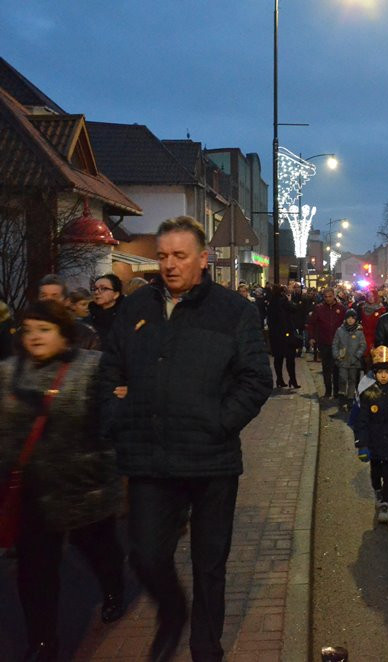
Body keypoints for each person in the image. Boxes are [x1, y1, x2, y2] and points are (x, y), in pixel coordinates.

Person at [98, 216, 272, 662]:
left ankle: (205, 645)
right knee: (145, 555)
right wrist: (120, 411)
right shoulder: (136, 311)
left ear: (202, 258)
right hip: (150, 458)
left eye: (180, 256)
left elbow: (255, 379)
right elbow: (109, 372)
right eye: (162, 256)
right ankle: (173, 612)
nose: (170, 265)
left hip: (211, 458)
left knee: (209, 564)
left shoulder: (234, 311)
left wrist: (219, 421)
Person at [0, 300, 125, 661]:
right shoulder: (8, 374)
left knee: (99, 550)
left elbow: (110, 420)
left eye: (45, 329)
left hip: (83, 486)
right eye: (29, 329)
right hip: (34, 493)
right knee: (35, 572)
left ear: (64, 334)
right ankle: (43, 641)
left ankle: (113, 587)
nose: (35, 337)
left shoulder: (90, 369)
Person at [353, 346, 388, 524]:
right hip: (375, 442)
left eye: (386, 372)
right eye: (380, 373)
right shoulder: (368, 395)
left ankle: (386, 503)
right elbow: (362, 421)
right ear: (374, 375)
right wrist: (362, 444)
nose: (383, 376)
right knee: (376, 471)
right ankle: (377, 490)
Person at [37, 274, 100, 350]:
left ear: (66, 301)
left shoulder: (86, 335)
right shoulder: (26, 333)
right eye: (44, 296)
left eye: (55, 296)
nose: (49, 301)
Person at [307, 287, 347, 399]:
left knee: (337, 369)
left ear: (334, 296)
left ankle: (337, 392)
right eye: (326, 297)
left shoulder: (341, 308)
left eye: (330, 296)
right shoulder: (319, 308)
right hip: (324, 343)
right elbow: (311, 324)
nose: (328, 299)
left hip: (338, 344)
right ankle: (328, 391)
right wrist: (311, 337)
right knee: (326, 368)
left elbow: (346, 325)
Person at [267, 284, 300, 389]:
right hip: (287, 334)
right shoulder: (284, 301)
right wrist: (289, 300)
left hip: (276, 335)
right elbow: (294, 309)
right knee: (290, 358)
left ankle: (280, 379)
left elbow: (270, 320)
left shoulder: (272, 303)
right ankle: (292, 380)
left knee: (278, 358)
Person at [332, 309, 366, 401]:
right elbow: (335, 344)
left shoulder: (359, 331)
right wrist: (336, 355)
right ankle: (342, 395)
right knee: (342, 378)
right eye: (348, 318)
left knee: (352, 379)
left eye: (353, 318)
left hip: (354, 361)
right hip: (342, 359)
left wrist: (357, 355)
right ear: (345, 319)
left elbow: (363, 345)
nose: (350, 320)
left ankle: (350, 397)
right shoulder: (340, 330)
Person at [89, 273, 124, 346]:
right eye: (94, 289)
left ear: (116, 294)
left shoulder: (125, 317)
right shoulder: (88, 315)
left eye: (103, 288)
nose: (96, 292)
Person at [358, 289, 387, 363]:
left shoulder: (381, 309)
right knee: (365, 361)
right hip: (364, 337)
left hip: (376, 337)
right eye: (369, 296)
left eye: (373, 296)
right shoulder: (362, 308)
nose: (371, 298)